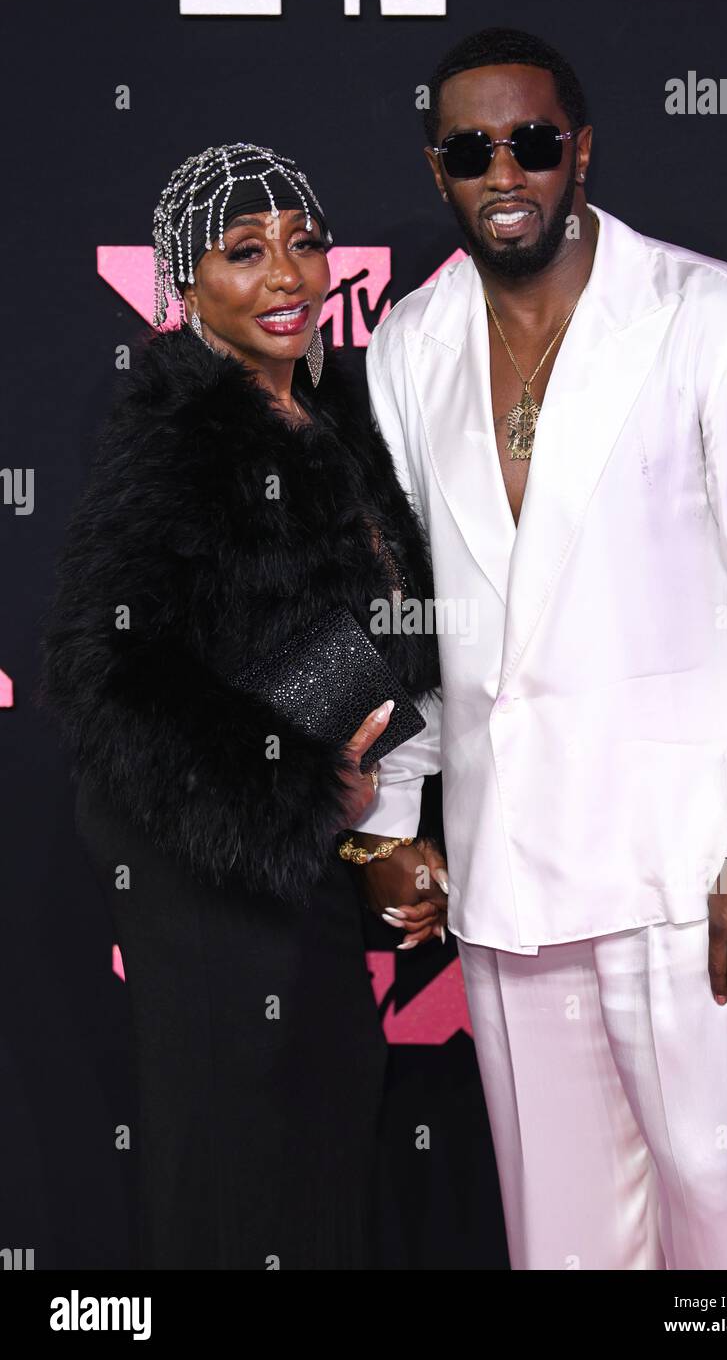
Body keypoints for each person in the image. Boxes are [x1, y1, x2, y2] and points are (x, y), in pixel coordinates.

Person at [354, 29, 727, 1269]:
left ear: (580, 150)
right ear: (438, 167)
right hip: (510, 870)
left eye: (531, 141)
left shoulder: (710, 317)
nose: (503, 170)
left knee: (723, 1220)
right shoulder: (409, 343)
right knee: (560, 1242)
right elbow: (406, 597)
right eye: (471, 148)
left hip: (688, 871)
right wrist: (395, 812)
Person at [36, 142, 443, 1270]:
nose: (287, 276)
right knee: (230, 1147)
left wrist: (351, 811)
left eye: (305, 243)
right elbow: (107, 668)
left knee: (323, 1101)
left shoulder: (336, 413)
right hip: (198, 854)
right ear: (185, 281)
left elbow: (358, 640)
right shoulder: (177, 434)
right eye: (244, 252)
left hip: (291, 848)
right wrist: (292, 780)